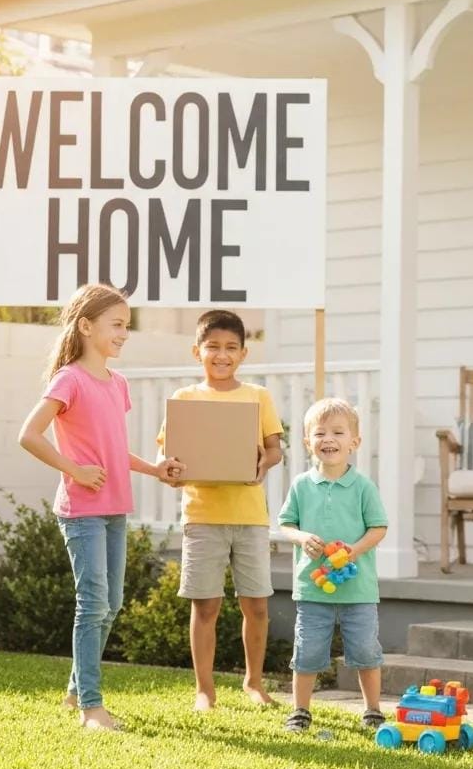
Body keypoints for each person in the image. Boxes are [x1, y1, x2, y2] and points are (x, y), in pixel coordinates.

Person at [19, 283, 183, 731]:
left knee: (112, 603)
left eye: (127, 325)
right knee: (93, 605)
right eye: (117, 324)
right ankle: (92, 707)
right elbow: (29, 434)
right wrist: (74, 469)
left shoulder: (118, 383)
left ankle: (76, 692)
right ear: (86, 326)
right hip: (81, 509)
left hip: (114, 507)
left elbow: (113, 449)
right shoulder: (69, 379)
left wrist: (155, 468)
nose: (124, 333)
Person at [158, 309, 284, 711]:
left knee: (257, 603)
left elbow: (275, 448)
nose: (222, 355)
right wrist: (171, 471)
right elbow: (169, 453)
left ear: (244, 353)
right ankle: (204, 690)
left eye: (231, 347)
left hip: (250, 516)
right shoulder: (185, 399)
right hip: (202, 515)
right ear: (198, 351)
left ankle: (253, 682)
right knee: (205, 603)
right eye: (213, 347)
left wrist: (264, 464)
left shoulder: (258, 396)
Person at [279, 398, 388, 733]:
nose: (329, 438)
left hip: (358, 589)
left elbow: (379, 528)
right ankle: (300, 710)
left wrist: (354, 551)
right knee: (308, 651)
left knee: (366, 650)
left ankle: (372, 709)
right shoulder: (301, 485)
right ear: (307, 442)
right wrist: (301, 538)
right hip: (313, 588)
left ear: (354, 443)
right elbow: (286, 524)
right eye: (320, 432)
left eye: (338, 432)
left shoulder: (363, 487)